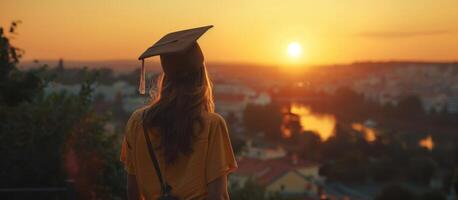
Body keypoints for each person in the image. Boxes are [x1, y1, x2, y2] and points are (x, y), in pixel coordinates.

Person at [120, 25, 237, 200]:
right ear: (200, 75)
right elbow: (218, 195)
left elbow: (132, 189)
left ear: (166, 76)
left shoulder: (138, 122)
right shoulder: (212, 124)